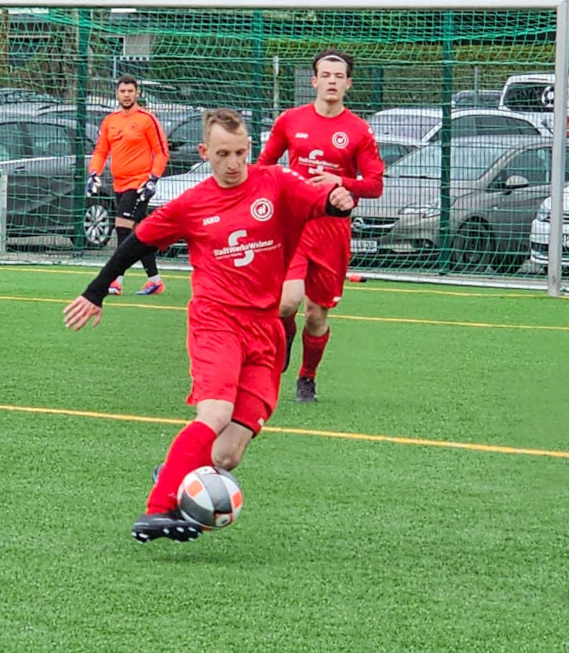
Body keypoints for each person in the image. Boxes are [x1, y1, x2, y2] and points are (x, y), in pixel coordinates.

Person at [63, 109, 356, 543]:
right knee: (215, 412)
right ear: (205, 153)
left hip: (266, 329)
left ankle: (179, 471)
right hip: (216, 321)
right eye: (222, 154)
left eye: (240, 152)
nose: (233, 163)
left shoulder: (275, 184)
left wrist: (339, 200)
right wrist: (96, 291)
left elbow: (323, 203)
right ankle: (157, 509)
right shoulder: (192, 203)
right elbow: (137, 242)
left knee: (229, 454)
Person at [256, 49, 385, 402]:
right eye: (325, 75)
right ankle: (280, 347)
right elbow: (264, 166)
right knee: (285, 303)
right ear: (314, 81)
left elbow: (375, 184)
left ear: (348, 84)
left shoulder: (358, 130)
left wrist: (342, 183)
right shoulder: (290, 121)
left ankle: (307, 377)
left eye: (338, 76)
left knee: (316, 315)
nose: (331, 81)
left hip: (332, 230)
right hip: (293, 224)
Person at [86, 76, 170, 295]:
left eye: (130, 91)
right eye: (122, 91)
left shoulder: (146, 119)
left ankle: (115, 280)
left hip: (139, 184)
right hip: (119, 183)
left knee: (122, 227)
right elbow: (101, 151)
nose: (126, 94)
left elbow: (162, 152)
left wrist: (153, 178)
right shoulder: (110, 121)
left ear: (137, 93)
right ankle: (155, 280)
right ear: (117, 93)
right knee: (139, 232)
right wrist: (93, 173)